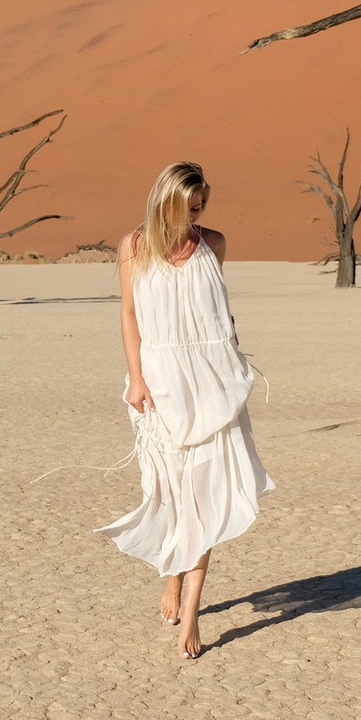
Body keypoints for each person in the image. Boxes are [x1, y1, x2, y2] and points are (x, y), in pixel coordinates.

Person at [96, 161, 273, 659]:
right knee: (173, 495)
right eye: (188, 206)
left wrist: (234, 367)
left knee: (206, 498)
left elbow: (217, 313)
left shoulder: (213, 244)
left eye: (201, 206)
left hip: (212, 385)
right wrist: (135, 378)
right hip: (160, 385)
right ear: (166, 202)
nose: (196, 215)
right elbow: (130, 315)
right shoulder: (135, 246)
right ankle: (171, 576)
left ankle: (191, 614)